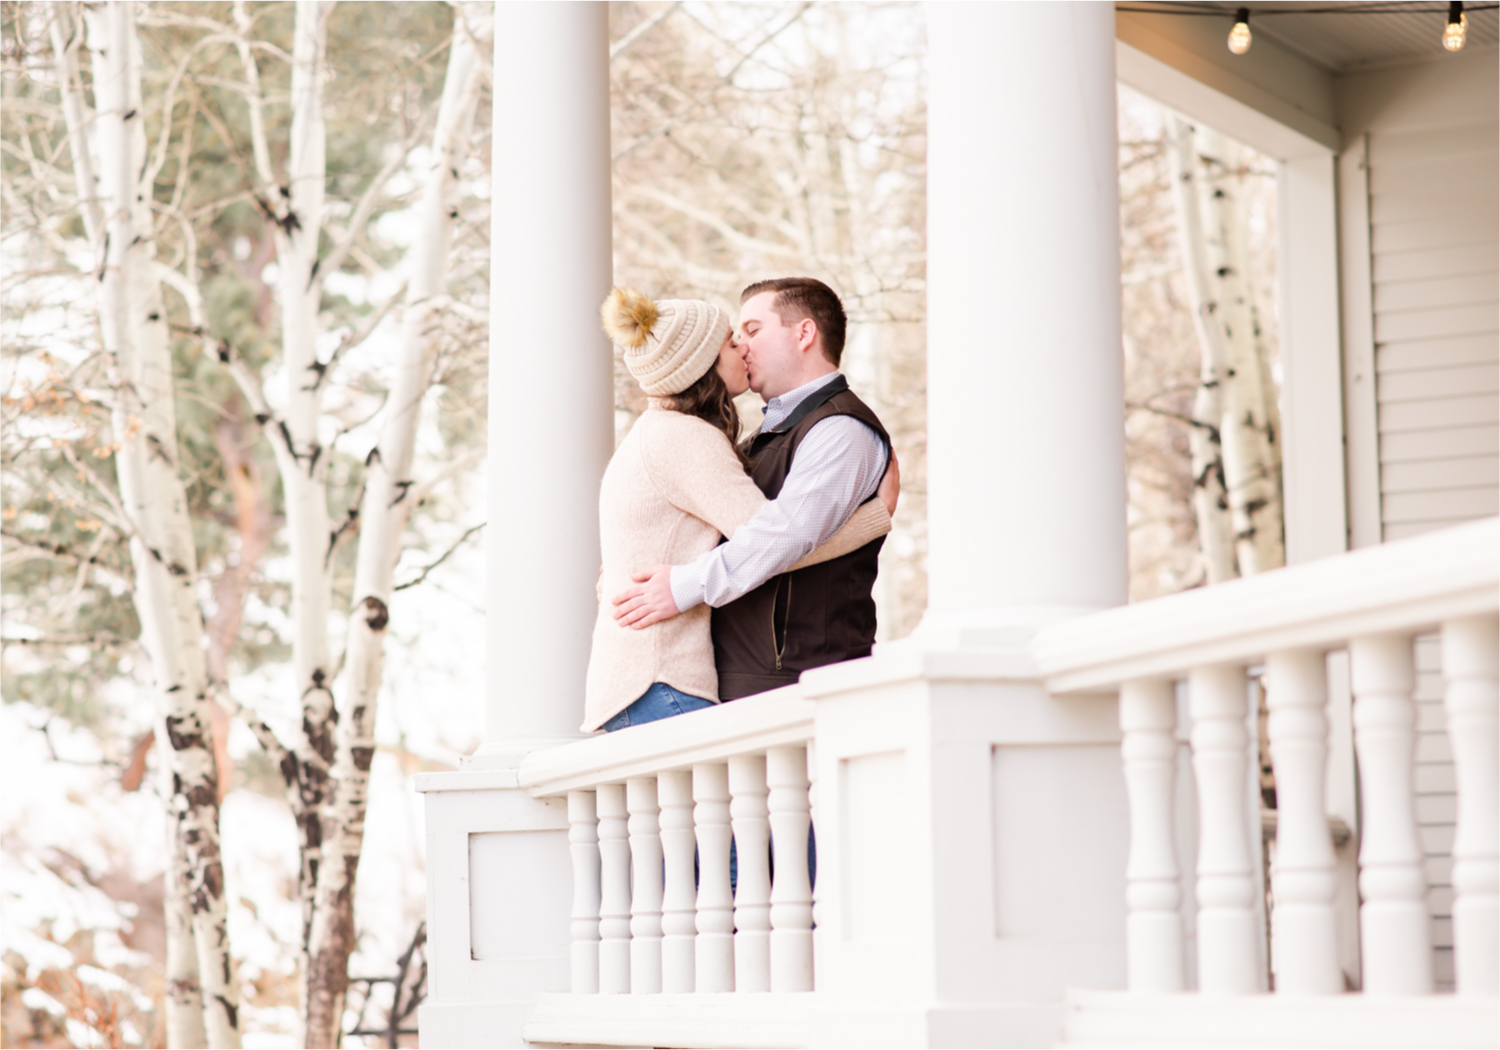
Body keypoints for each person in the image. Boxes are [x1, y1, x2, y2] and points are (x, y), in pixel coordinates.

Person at [582, 287, 897, 734]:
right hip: (661, 677)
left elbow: (773, 541)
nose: (742, 346)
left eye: (750, 330)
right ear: (700, 364)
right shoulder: (689, 438)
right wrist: (873, 517)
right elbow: (775, 540)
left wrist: (667, 576)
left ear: (805, 333)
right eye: (733, 339)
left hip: (667, 679)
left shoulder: (835, 430)